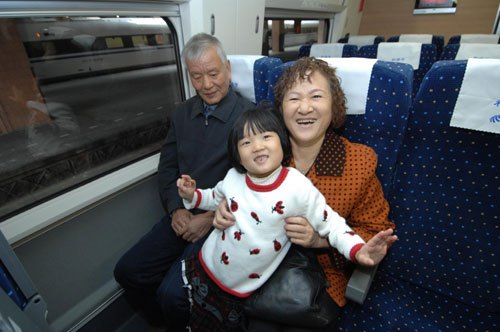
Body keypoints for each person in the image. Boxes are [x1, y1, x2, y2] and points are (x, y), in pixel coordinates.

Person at [214, 57, 397, 331]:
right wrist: (225, 211)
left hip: (322, 277)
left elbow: (375, 230)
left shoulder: (359, 162)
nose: (305, 108)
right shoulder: (262, 152)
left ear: (334, 105)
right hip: (258, 265)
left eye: (316, 96)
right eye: (294, 99)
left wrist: (319, 241)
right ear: (281, 109)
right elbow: (236, 191)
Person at [113, 33, 254, 331]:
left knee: (172, 293)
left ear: (227, 68)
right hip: (182, 214)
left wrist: (208, 218)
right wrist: (176, 208)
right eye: (197, 76)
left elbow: (253, 184)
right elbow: (168, 168)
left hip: (220, 222)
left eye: (214, 74)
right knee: (128, 271)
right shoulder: (182, 114)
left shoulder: (248, 118)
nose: (206, 85)